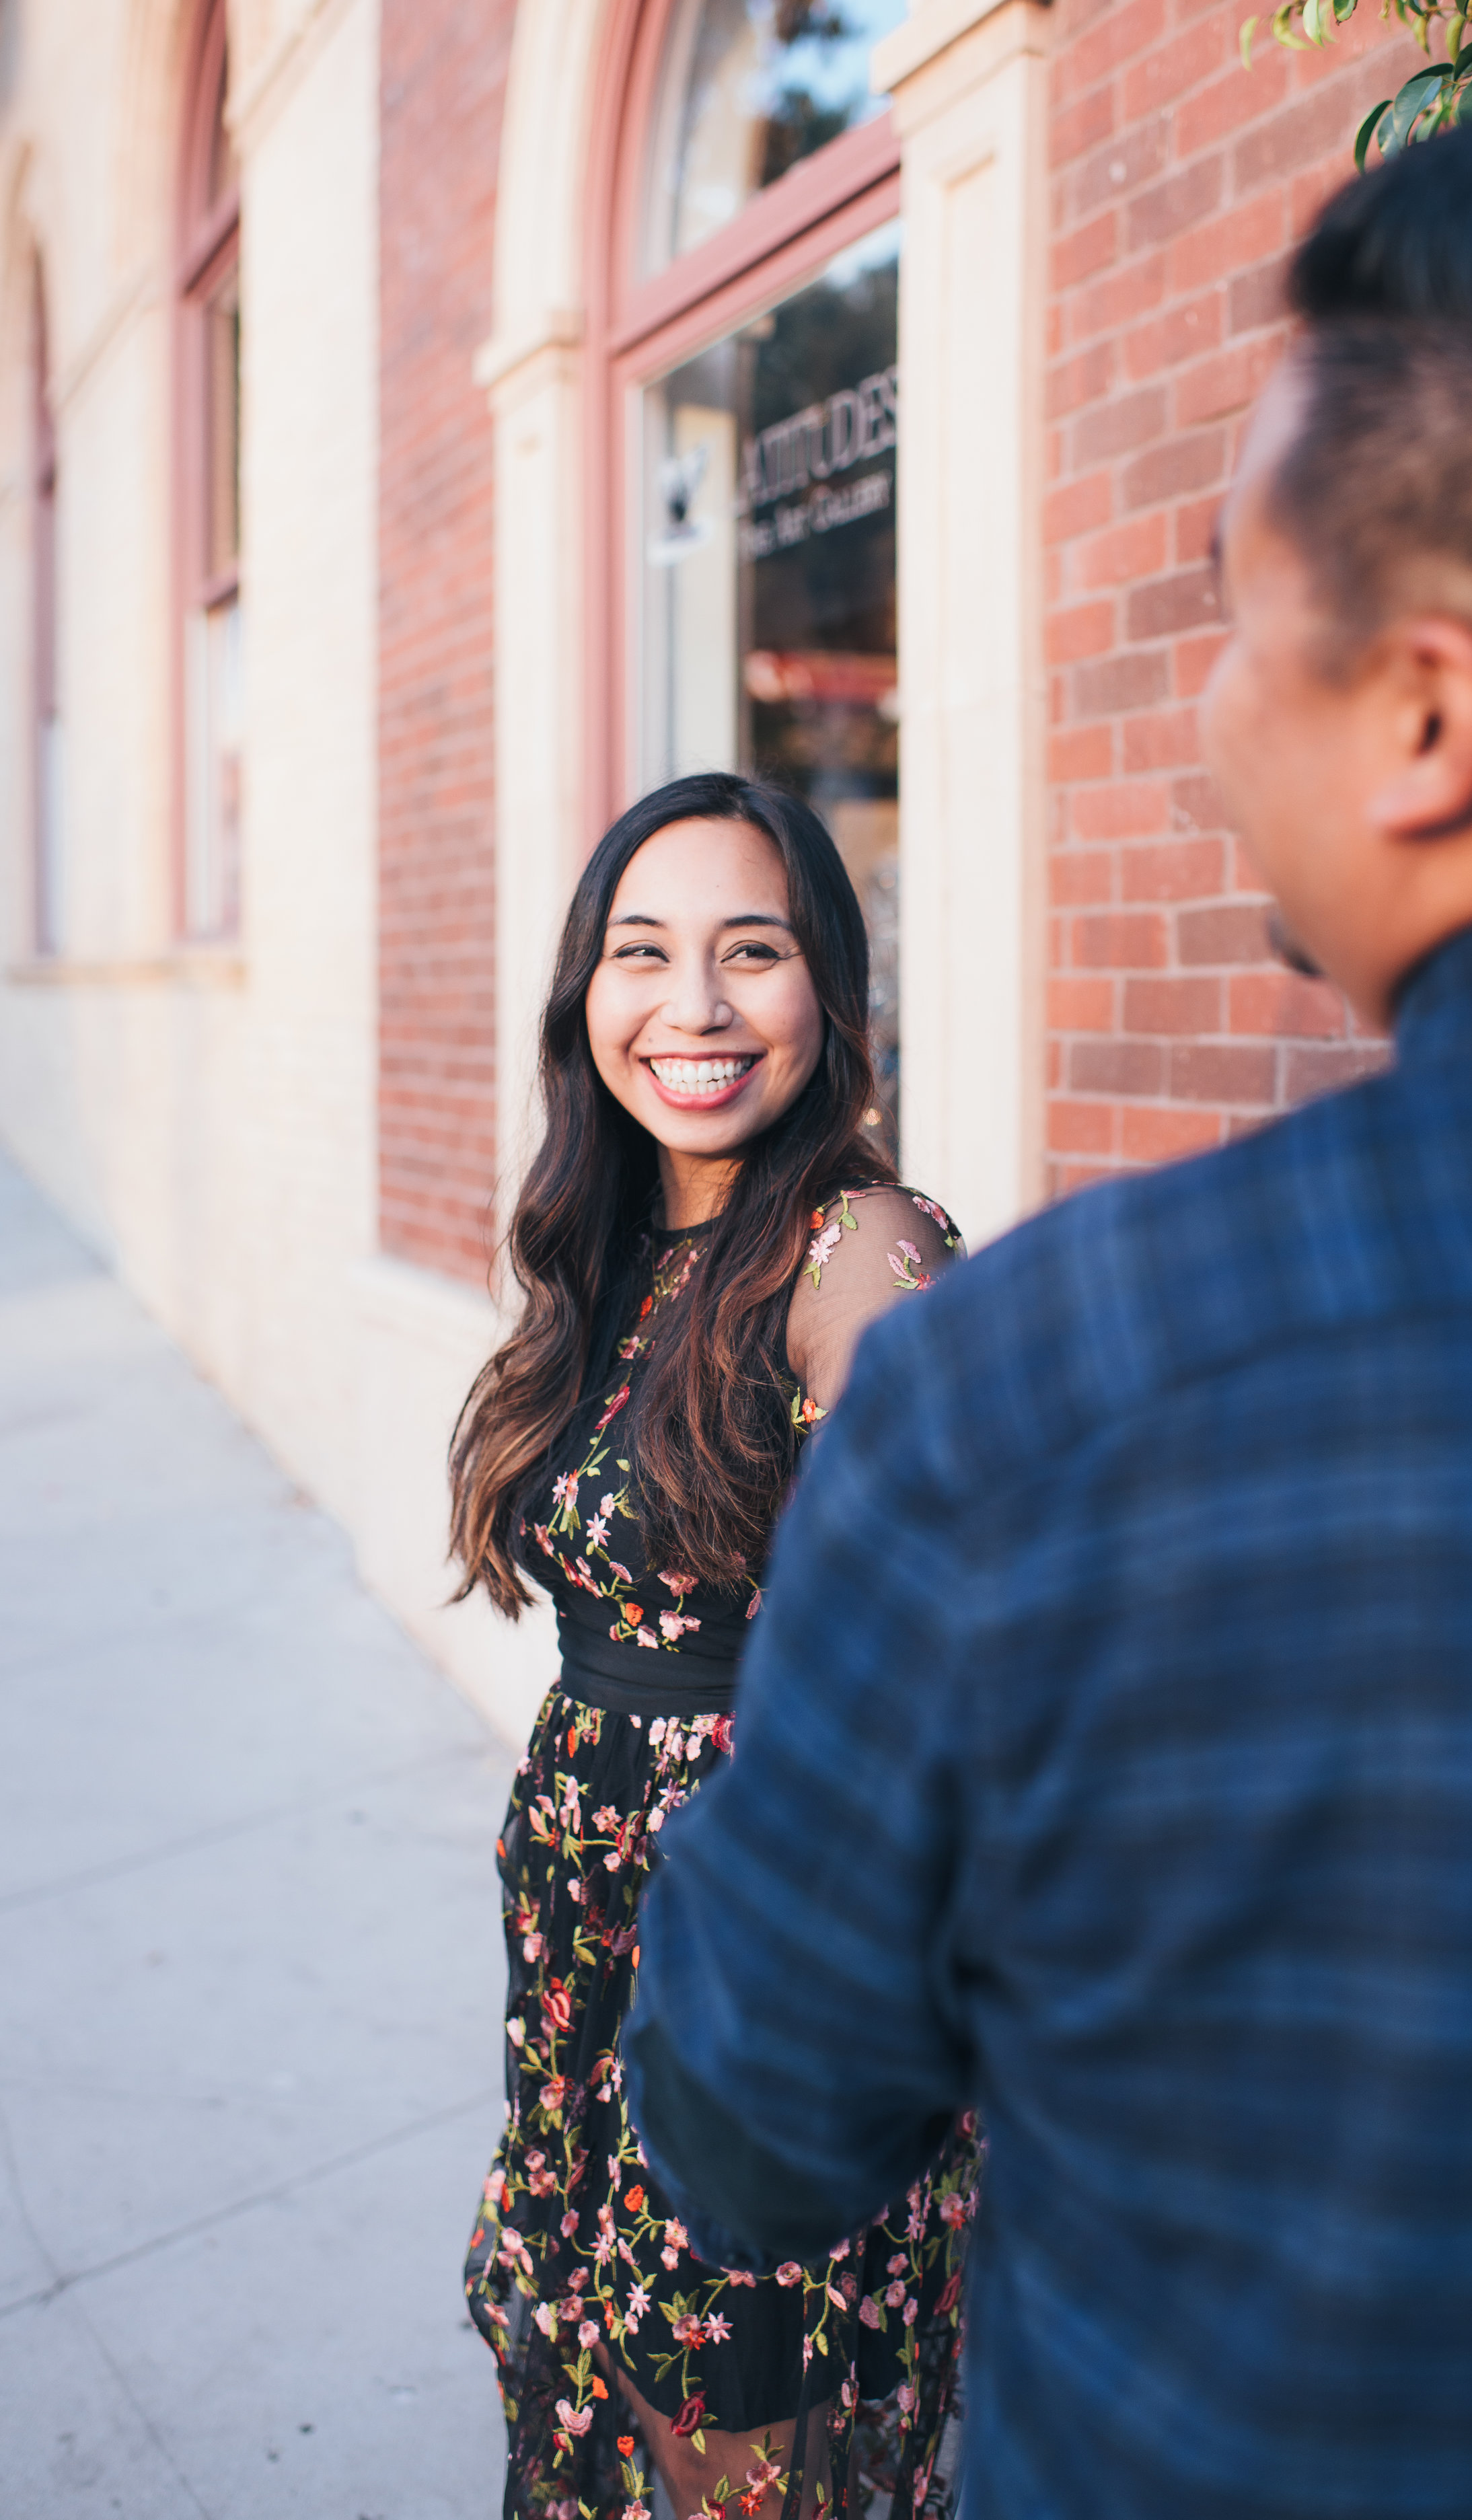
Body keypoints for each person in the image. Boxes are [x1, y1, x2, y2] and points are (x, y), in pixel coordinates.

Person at [624, 122, 1472, 2520]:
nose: (1202, 722)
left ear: (1427, 712)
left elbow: (749, 2106)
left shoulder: (1037, 1396)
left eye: (1232, 616)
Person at [450, 770, 978, 2520]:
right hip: (584, 1970)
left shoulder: (858, 1250)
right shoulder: (614, 1247)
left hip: (760, 1990)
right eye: (641, 953)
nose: (689, 1005)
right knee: (584, 2409)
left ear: (828, 986)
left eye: (749, 951)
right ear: (580, 996)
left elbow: (922, 1677)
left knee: (735, 2457)